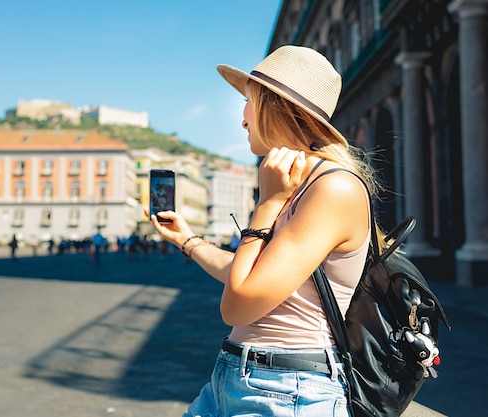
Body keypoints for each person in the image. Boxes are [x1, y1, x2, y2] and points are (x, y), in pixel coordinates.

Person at [147, 45, 384, 417]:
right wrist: (187, 240)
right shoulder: (295, 183)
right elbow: (250, 276)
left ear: (275, 108)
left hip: (288, 390)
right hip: (236, 378)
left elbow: (237, 304)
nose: (243, 119)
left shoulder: (332, 188)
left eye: (248, 100)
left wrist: (268, 205)